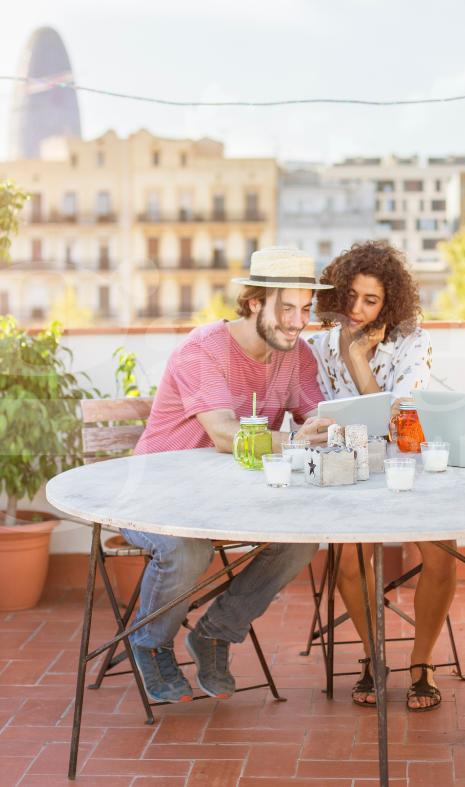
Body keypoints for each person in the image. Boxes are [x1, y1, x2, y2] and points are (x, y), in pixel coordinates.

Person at [124, 246, 335, 704]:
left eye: (305, 309)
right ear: (255, 302)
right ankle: (148, 641)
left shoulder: (294, 355)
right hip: (155, 493)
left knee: (300, 539)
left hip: (228, 499)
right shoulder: (204, 351)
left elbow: (314, 410)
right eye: (286, 309)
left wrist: (329, 422)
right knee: (187, 548)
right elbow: (223, 433)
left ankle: (215, 633)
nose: (298, 322)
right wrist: (300, 441)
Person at [307, 240, 455, 712]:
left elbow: (401, 423)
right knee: (348, 562)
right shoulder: (318, 346)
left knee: (442, 553)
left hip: (411, 465)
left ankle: (421, 662)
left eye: (370, 300)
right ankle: (374, 656)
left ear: (388, 301)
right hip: (352, 469)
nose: (356, 309)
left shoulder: (413, 341)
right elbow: (321, 419)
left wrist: (357, 363)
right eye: (349, 296)